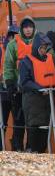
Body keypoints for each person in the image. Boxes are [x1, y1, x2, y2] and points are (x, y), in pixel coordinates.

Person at [19, 33, 55, 153]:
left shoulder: (50, 59)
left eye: (45, 47)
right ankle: (33, 155)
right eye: (41, 47)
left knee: (45, 132)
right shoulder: (26, 62)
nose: (43, 50)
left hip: (47, 101)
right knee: (34, 132)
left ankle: (40, 156)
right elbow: (24, 82)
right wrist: (40, 88)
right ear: (36, 47)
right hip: (33, 102)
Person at [3, 17, 38, 151]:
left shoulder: (39, 42)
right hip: (18, 89)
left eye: (30, 26)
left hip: (35, 89)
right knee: (19, 120)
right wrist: (10, 83)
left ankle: (31, 147)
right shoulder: (13, 45)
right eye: (25, 27)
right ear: (21, 29)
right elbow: (8, 66)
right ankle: (17, 148)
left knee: (33, 120)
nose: (28, 29)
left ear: (33, 28)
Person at [0, 25, 19, 149]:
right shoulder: (1, 49)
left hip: (16, 89)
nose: (14, 38)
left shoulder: (19, 49)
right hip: (2, 90)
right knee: (2, 122)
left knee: (18, 122)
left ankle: (16, 146)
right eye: (13, 35)